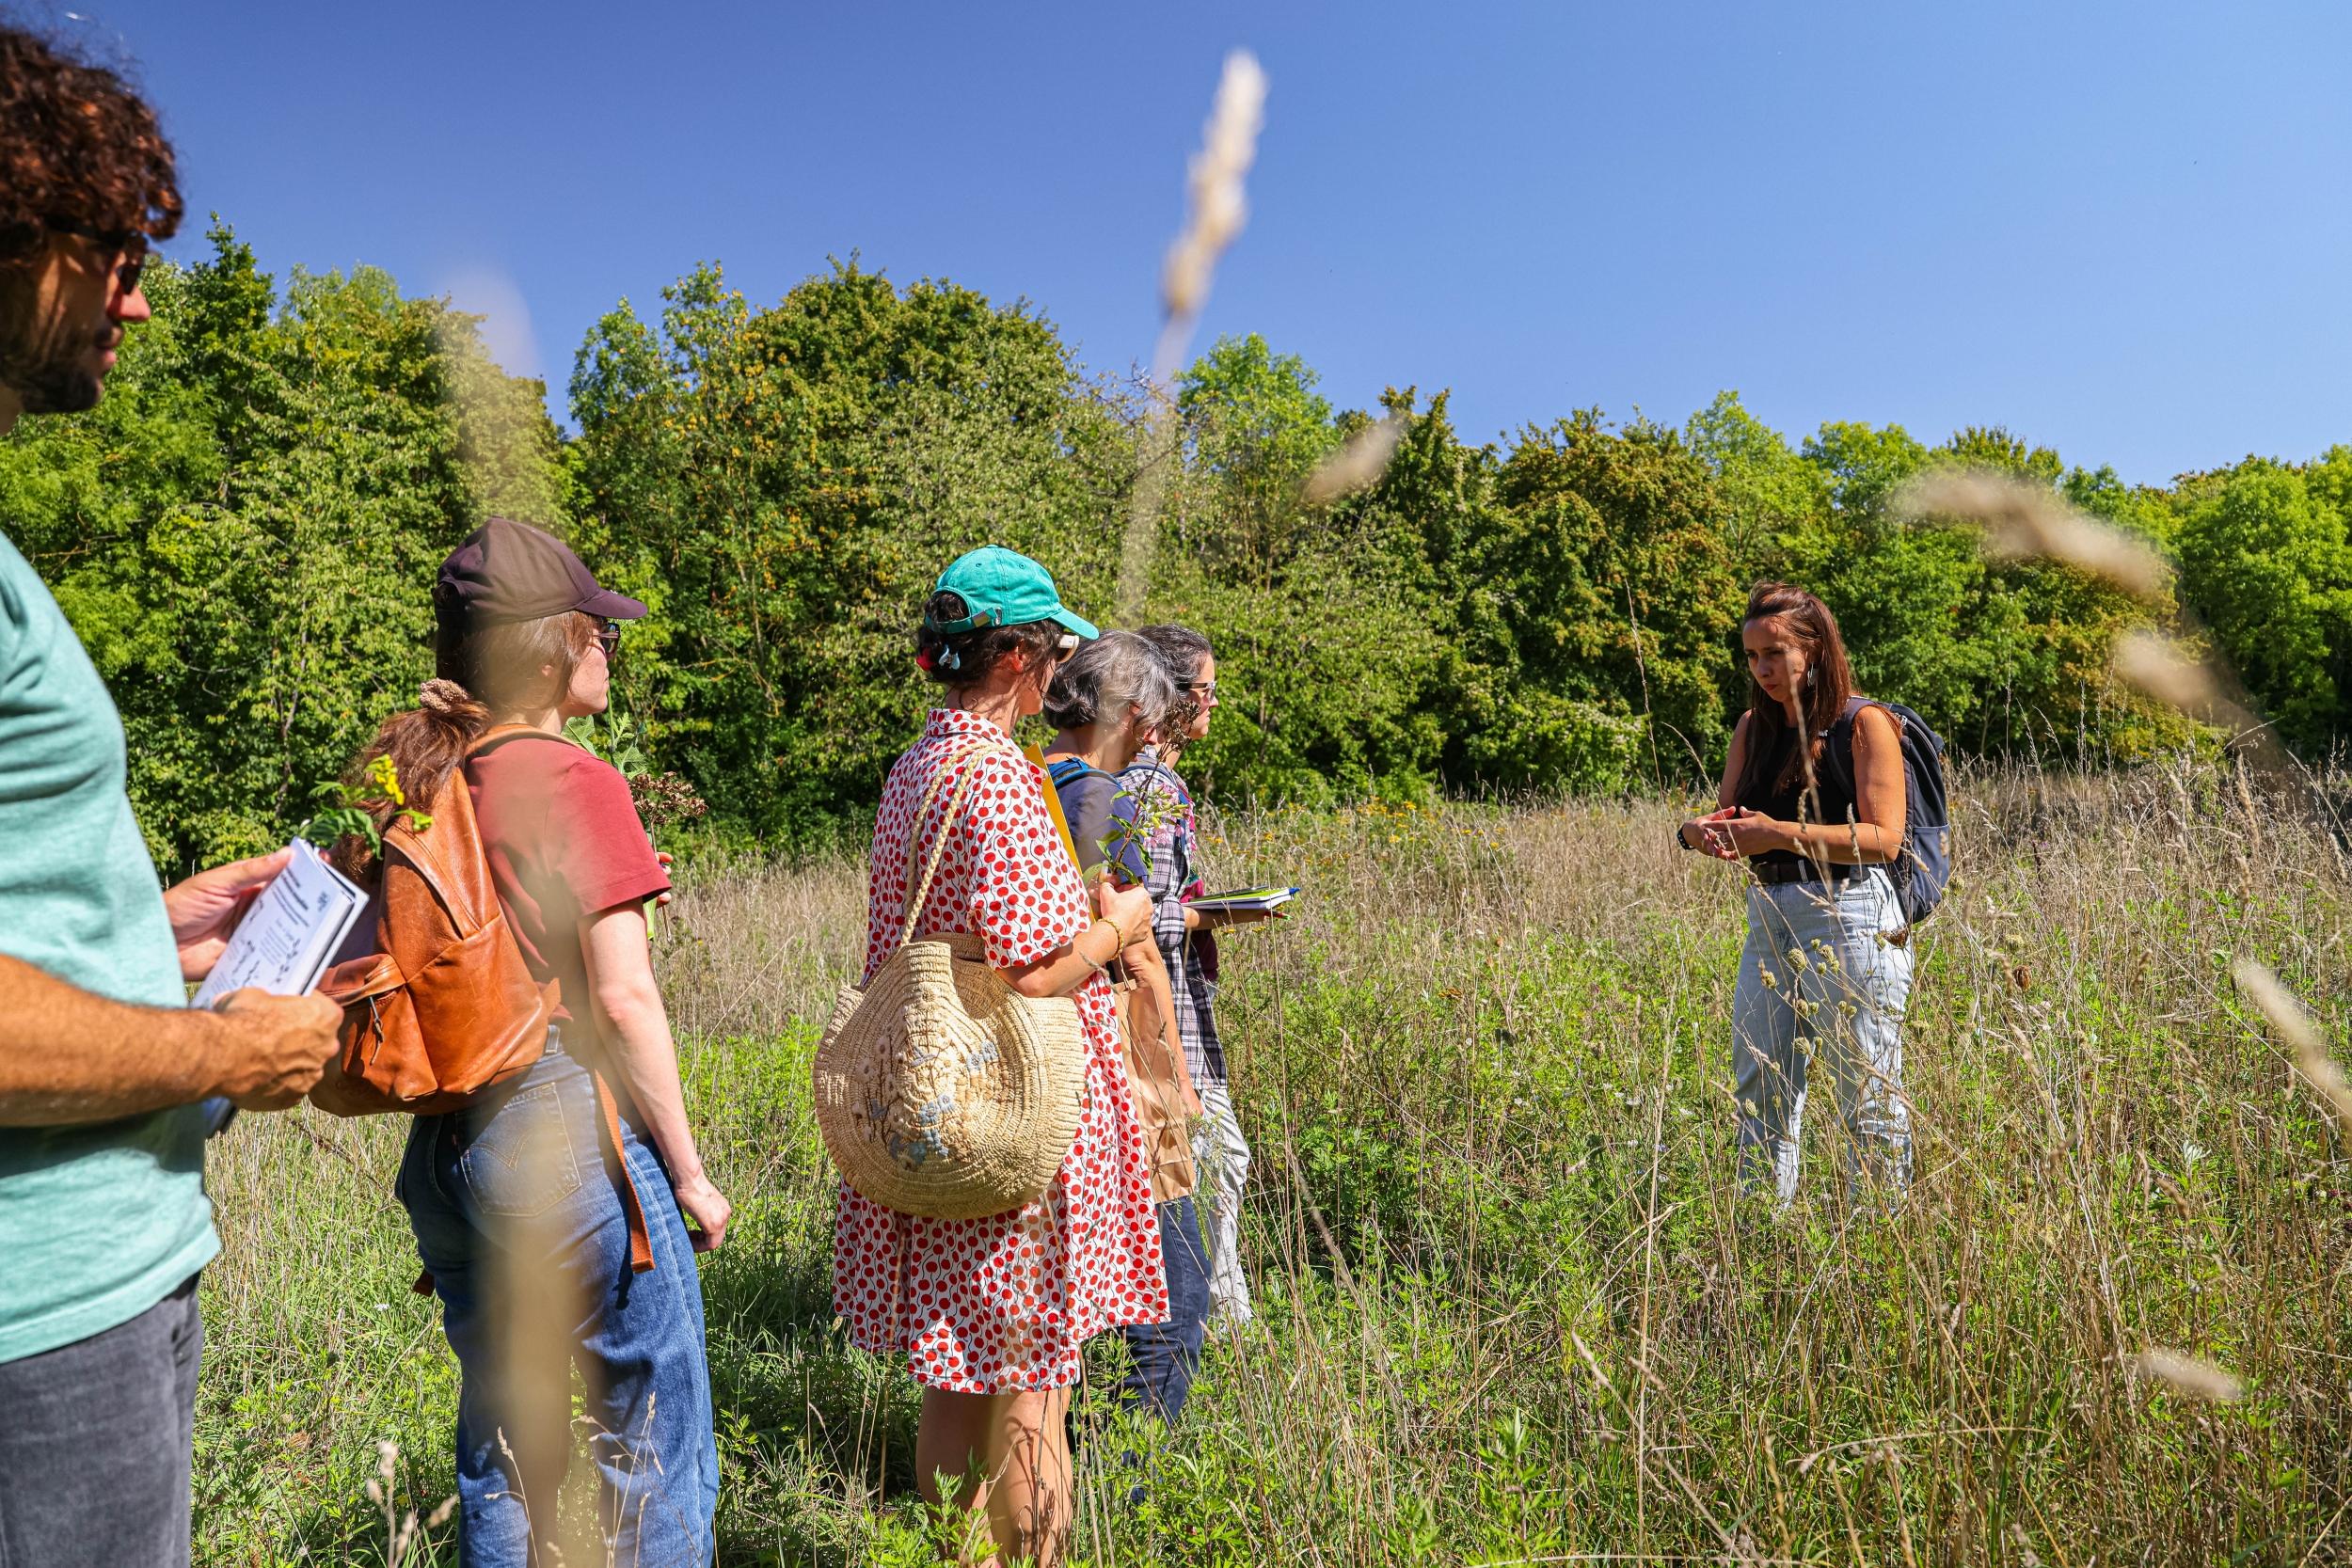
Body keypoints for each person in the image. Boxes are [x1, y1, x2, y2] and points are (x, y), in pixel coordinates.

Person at [0, 26, 342, 1567]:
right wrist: (217, 1048)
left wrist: (152, 928)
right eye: (116, 256)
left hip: (97, 1288)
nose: (139, 299)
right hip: (41, 1324)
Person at [340, 516, 727, 1564]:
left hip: (447, 1151)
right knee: (652, 1441)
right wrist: (691, 1175)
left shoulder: (427, 776)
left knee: (506, 1449)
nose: (610, 647)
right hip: (559, 1128)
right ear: (553, 647)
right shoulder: (573, 777)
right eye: (600, 629)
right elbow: (624, 999)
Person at [833, 546, 1166, 1566]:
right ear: (1015, 656)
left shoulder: (915, 768)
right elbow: (1034, 972)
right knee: (1033, 1389)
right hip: (1016, 1116)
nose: (1059, 669)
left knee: (953, 1377)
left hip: (935, 1101)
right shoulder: (1001, 779)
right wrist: (1116, 928)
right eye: (1054, 649)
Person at [1678, 581, 1914, 1207]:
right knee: (1761, 1085)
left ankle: (1879, 1241)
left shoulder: (1863, 723)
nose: (1762, 669)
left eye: (1775, 653)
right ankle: (1763, 1240)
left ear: (1814, 649)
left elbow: (1885, 839)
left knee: (1865, 1090)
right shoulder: (1753, 727)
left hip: (1851, 912)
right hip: (1769, 914)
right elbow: (1730, 817)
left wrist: (1778, 833)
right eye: (1752, 656)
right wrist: (1699, 832)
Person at [1039, 632, 1210, 1427]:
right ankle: (1134, 1481)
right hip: (1109, 1073)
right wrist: (1175, 1083)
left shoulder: (1030, 777)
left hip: (1034, 1076)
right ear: (1139, 715)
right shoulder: (1108, 801)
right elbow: (1137, 952)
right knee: (1176, 1300)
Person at [1122, 625, 1276, 1328]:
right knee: (1217, 1158)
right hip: (1166, 1011)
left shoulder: (1149, 781)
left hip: (1172, 1004)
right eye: (1207, 690)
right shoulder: (1153, 787)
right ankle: (1212, 1315)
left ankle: (1205, 1310)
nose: (1214, 703)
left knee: (1212, 1159)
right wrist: (1217, 915)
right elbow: (1145, 920)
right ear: (1175, 696)